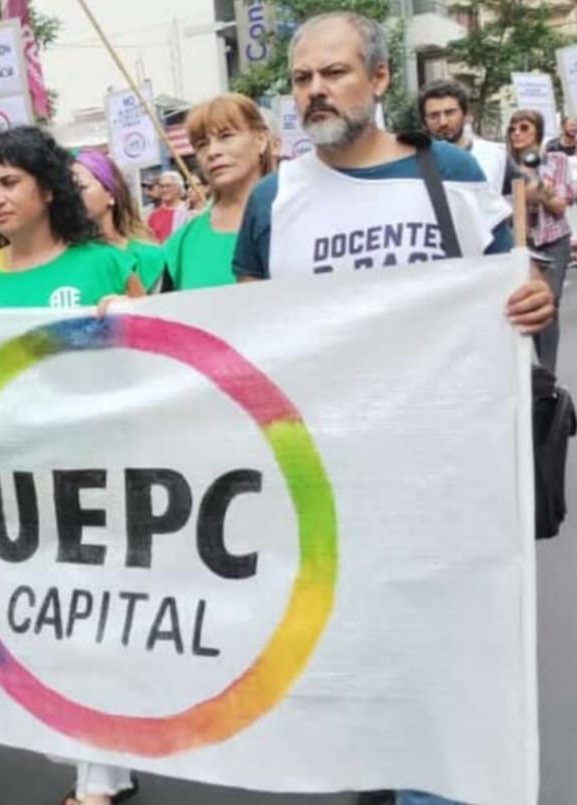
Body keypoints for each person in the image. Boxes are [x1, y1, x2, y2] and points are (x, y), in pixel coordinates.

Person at [230, 14, 552, 803]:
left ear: (378, 81)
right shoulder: (275, 199)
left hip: (444, 483)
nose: (314, 91)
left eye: (333, 73)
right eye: (302, 79)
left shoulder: (447, 171)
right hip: (329, 488)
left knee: (445, 674)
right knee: (357, 678)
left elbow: (504, 283)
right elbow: (243, 331)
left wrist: (533, 298)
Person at [0, 126, 143, 805]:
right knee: (46, 625)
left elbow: (162, 346)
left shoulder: (102, 261)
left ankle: (95, 781)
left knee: (91, 621)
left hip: (96, 471)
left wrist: (127, 314)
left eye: (9, 182)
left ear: (46, 186)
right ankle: (109, 767)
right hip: (11, 482)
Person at [161, 93, 274, 291]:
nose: (213, 152)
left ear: (261, 138)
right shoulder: (181, 244)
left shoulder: (301, 216)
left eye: (226, 136)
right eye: (202, 144)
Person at [509, 108, 573, 372]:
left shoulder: (556, 161)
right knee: (529, 305)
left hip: (554, 240)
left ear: (538, 130)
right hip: (524, 244)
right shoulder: (507, 167)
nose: (517, 133)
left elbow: (559, 206)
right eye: (512, 128)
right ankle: (535, 365)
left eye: (524, 127)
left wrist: (540, 192)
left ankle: (548, 370)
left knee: (550, 302)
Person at [71, 149, 166, 288]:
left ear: (111, 194)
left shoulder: (150, 258)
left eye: (80, 187)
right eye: (65, 190)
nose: (71, 196)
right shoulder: (59, 262)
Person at [418, 79, 510, 196]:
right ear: (424, 121)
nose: (443, 122)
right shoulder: (412, 161)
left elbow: (527, 191)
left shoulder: (495, 155)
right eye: (434, 116)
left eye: (450, 113)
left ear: (465, 114)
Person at [146, 172, 189, 242]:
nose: (164, 190)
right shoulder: (154, 215)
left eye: (168, 186)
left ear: (178, 188)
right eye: (162, 186)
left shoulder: (188, 211)